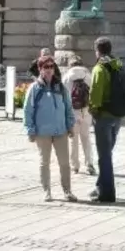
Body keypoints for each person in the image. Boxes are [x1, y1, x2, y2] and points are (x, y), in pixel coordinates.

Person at [22, 54, 77, 202]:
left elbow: (68, 107)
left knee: (64, 163)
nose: (49, 70)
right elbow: (28, 110)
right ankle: (47, 191)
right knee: (44, 162)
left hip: (60, 131)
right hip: (42, 132)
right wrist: (30, 130)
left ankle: (67, 191)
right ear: (40, 69)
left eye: (52, 67)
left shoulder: (60, 87)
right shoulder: (35, 89)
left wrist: (70, 125)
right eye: (46, 67)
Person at [88, 36, 125, 204]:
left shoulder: (99, 69)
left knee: (104, 157)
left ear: (97, 50)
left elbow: (95, 94)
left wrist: (93, 110)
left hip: (104, 115)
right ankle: (99, 186)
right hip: (118, 115)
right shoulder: (117, 64)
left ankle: (106, 194)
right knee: (107, 153)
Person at [62, 56, 96, 176]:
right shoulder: (88, 76)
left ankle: (75, 166)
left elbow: (63, 97)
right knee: (86, 138)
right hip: (86, 111)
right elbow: (93, 93)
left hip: (72, 112)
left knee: (73, 140)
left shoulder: (66, 77)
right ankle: (89, 164)